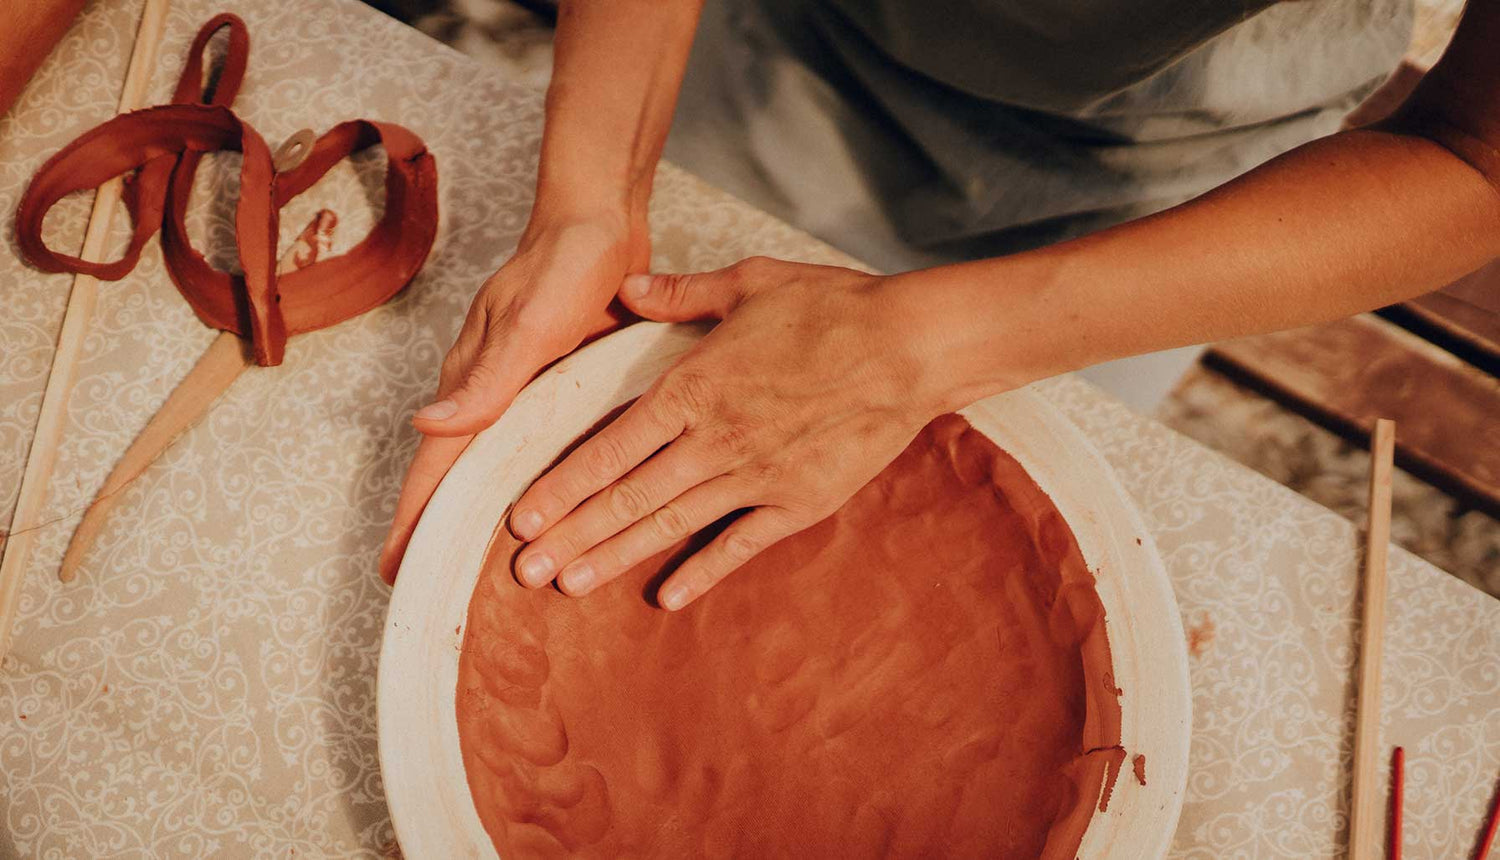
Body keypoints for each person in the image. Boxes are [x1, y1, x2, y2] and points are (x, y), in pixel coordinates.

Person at [379, 0, 1500, 611]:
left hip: (1179, 198)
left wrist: (931, 345)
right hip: (808, 48)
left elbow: (1477, 162)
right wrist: (592, 199)